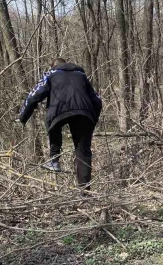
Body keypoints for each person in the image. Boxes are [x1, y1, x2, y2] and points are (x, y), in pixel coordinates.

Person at [17, 58, 102, 191]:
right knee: (83, 152)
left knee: (54, 125)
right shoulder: (81, 75)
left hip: (58, 110)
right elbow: (97, 99)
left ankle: (54, 160)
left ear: (53, 66)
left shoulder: (50, 74)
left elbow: (34, 96)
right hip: (84, 112)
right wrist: (92, 121)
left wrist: (22, 117)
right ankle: (84, 192)